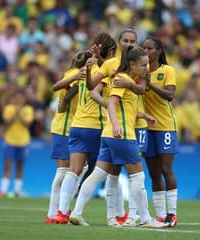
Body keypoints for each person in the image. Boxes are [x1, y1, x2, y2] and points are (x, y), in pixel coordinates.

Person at [70, 46, 167, 228]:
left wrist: (143, 116)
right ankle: (145, 219)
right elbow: (113, 103)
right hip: (122, 134)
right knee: (138, 177)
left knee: (97, 174)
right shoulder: (122, 78)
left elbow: (126, 107)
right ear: (132, 64)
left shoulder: (128, 79)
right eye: (143, 65)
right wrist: (116, 125)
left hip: (109, 135)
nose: (147, 68)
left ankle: (76, 212)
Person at [54, 32, 117, 224]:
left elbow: (57, 87)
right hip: (96, 126)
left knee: (73, 170)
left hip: (76, 126)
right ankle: (117, 214)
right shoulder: (105, 69)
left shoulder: (84, 68)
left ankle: (61, 212)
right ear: (112, 51)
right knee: (112, 168)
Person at [44, 50, 91, 223]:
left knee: (79, 168)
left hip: (76, 126)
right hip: (65, 126)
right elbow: (62, 104)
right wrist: (74, 81)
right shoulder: (75, 75)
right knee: (64, 172)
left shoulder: (84, 76)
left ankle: (61, 209)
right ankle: (53, 213)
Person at [137, 37, 180, 227]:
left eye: (150, 48)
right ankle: (161, 215)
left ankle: (173, 213)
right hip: (147, 128)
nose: (146, 51)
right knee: (153, 174)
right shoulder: (138, 72)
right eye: (143, 48)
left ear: (159, 51)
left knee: (166, 169)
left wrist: (150, 84)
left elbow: (170, 95)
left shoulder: (167, 71)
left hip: (165, 127)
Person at [0, 89, 34, 197]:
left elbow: (27, 124)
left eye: (20, 98)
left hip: (23, 141)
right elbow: (7, 123)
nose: (18, 100)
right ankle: (3, 191)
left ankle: (17, 191)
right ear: (13, 99)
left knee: (19, 167)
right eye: (16, 98)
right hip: (10, 141)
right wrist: (15, 113)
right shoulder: (9, 108)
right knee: (7, 166)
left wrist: (20, 113)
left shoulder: (28, 109)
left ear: (24, 100)